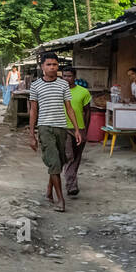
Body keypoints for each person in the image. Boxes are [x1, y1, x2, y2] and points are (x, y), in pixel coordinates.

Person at [27, 53, 83, 212]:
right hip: (45, 128)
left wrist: (77, 129)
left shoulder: (63, 85)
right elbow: (33, 111)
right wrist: (32, 135)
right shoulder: (36, 85)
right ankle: (60, 200)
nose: (52, 67)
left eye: (55, 65)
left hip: (61, 128)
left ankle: (49, 191)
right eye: (49, 64)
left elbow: (69, 108)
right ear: (42, 67)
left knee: (59, 161)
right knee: (53, 162)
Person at [61, 66, 92, 196]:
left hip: (79, 128)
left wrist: (85, 128)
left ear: (75, 77)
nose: (67, 78)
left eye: (69, 76)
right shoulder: (59, 91)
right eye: (64, 76)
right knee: (69, 156)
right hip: (63, 128)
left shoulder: (83, 92)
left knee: (77, 157)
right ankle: (71, 185)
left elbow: (88, 111)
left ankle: (71, 182)